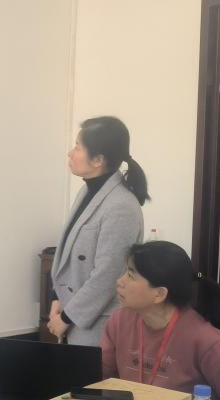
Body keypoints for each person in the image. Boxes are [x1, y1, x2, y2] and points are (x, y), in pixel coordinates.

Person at [102, 241, 220, 400]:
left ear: (159, 294)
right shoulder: (119, 321)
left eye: (130, 275)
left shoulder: (210, 342)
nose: (120, 281)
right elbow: (102, 379)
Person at [49, 116, 149, 346]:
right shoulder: (86, 192)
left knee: (93, 371)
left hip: (97, 320)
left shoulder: (121, 205)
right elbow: (69, 256)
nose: (70, 153)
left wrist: (67, 317)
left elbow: (108, 274)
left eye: (77, 147)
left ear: (98, 160)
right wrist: (57, 297)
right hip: (72, 310)